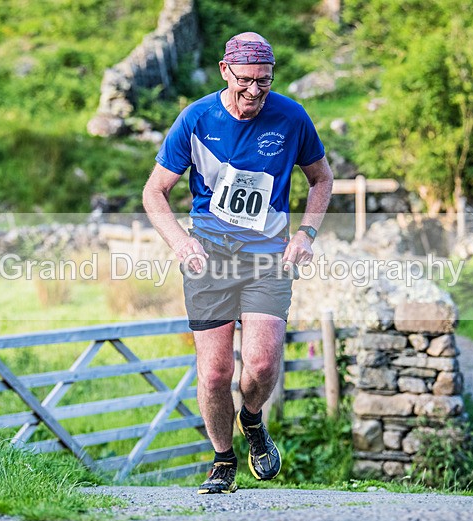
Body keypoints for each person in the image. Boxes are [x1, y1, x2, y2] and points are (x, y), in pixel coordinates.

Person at [142, 32, 333, 494]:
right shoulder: (195, 119)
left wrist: (306, 234)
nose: (254, 92)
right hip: (208, 257)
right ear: (225, 70)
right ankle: (223, 459)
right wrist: (181, 244)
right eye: (246, 81)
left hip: (267, 256)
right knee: (214, 373)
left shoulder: (291, 117)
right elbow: (154, 192)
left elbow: (322, 179)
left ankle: (252, 422)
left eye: (263, 83)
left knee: (263, 365)